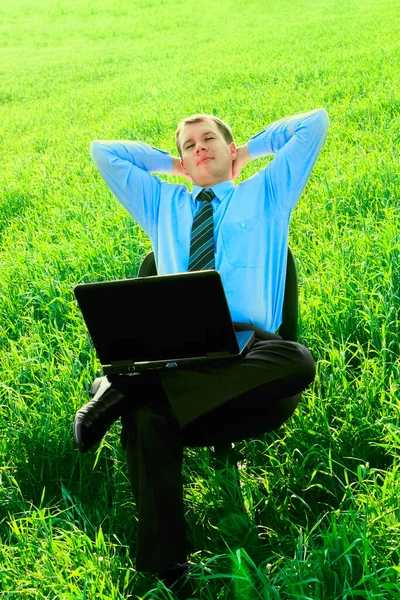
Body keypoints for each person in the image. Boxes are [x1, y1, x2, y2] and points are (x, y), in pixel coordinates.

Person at [74, 108, 329, 587]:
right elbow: (104, 153)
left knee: (296, 359)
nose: (198, 148)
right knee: (147, 418)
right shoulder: (162, 206)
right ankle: (168, 568)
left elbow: (312, 124)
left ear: (228, 148)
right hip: (182, 354)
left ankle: (126, 388)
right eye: (188, 145)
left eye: (208, 138)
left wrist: (245, 154)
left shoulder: (268, 194)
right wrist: (175, 166)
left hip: (252, 355)